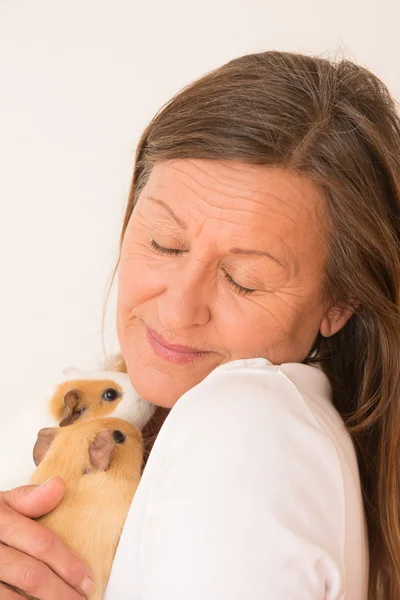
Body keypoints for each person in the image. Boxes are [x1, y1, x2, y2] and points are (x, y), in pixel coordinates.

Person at [1, 49, 400, 600]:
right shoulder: (107, 421)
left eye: (244, 279)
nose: (177, 310)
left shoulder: (243, 420)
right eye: (163, 242)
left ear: (339, 303)